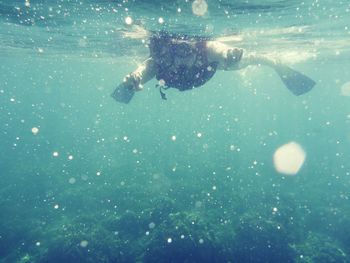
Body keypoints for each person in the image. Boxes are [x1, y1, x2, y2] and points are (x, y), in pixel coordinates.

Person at [111, 31, 315, 104]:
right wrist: (132, 80)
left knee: (242, 61)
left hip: (204, 70)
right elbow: (142, 70)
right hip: (192, 77)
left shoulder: (205, 50)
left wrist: (230, 53)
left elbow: (219, 48)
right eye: (172, 52)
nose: (178, 59)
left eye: (183, 51)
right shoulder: (159, 61)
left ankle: (276, 63)